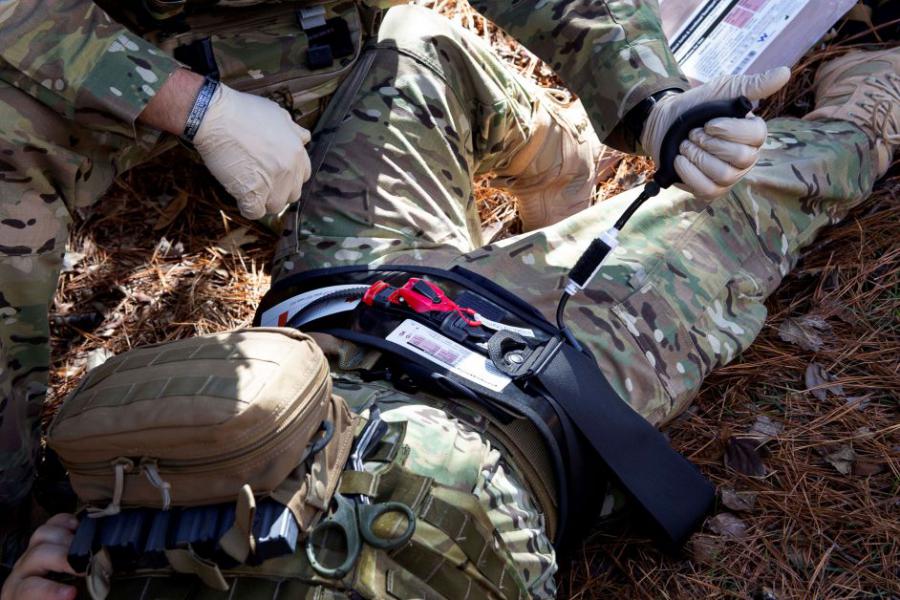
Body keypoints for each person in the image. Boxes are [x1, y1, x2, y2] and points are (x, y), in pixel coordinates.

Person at [3, 36, 897, 598]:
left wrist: (651, 103)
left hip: (345, 310)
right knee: (765, 182)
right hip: (541, 387)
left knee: (411, 52)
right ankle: (877, 86)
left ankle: (563, 184)